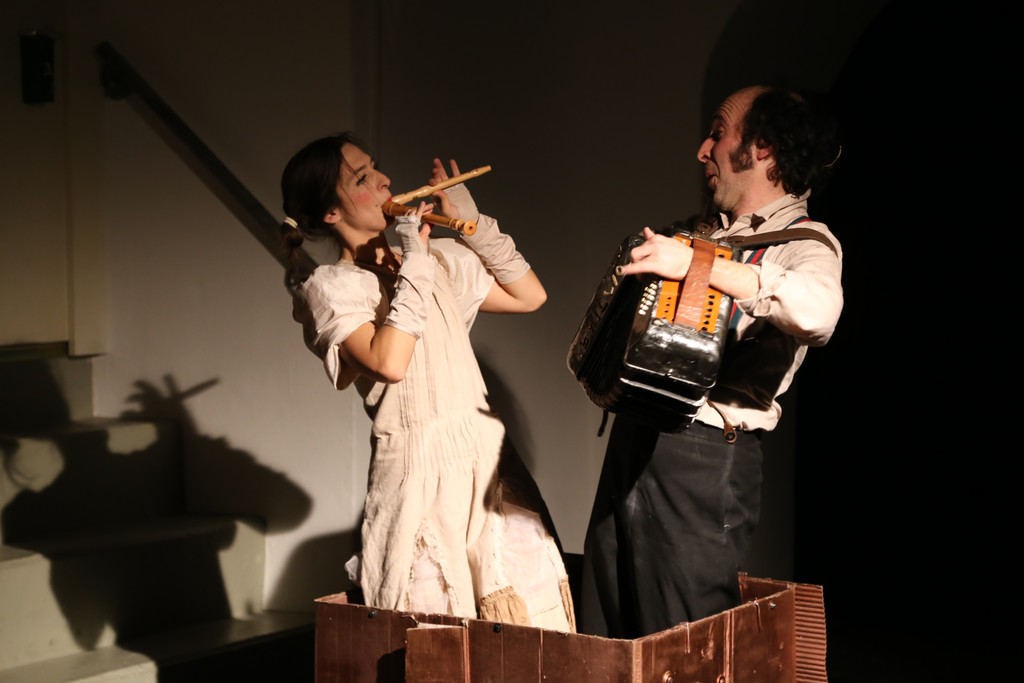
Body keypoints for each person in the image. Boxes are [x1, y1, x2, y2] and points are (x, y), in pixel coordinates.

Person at [281, 133, 575, 631]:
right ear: (331, 212)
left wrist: (471, 222)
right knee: (439, 635)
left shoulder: (436, 259)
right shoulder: (333, 287)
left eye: (376, 167)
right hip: (419, 474)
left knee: (528, 629)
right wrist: (413, 261)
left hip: (487, 460)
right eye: (362, 178)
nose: (384, 181)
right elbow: (389, 361)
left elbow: (529, 296)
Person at [580, 87, 843, 638]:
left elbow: (819, 314)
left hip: (703, 455)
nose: (704, 149)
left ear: (762, 147)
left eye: (719, 133)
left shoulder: (808, 243)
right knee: (605, 626)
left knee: (683, 641)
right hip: (636, 434)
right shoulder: (701, 232)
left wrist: (702, 265)